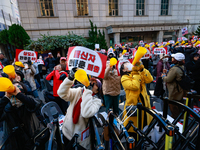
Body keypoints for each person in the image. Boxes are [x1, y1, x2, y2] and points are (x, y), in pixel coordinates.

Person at [57, 68, 102, 150]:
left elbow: (86, 113)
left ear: (97, 90)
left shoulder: (97, 101)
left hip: (79, 138)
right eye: (91, 80)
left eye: (95, 84)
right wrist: (70, 78)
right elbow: (61, 93)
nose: (92, 83)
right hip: (66, 132)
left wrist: (88, 92)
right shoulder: (79, 91)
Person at [0, 82, 46, 149]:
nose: (15, 88)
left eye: (18, 86)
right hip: (17, 142)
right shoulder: (6, 106)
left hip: (34, 136)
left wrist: (19, 95)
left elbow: (34, 104)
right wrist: (6, 98)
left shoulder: (28, 99)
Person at [120, 61, 153, 139]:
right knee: (133, 131)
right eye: (126, 65)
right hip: (134, 107)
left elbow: (149, 79)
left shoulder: (138, 73)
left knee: (144, 128)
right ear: (123, 70)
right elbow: (135, 86)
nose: (129, 64)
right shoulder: (124, 78)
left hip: (144, 105)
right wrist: (135, 73)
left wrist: (142, 69)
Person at [162, 53, 185, 119]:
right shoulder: (181, 66)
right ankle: (181, 118)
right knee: (179, 105)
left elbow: (168, 79)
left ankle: (176, 120)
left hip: (174, 90)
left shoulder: (174, 69)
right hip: (180, 90)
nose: (172, 58)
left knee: (173, 105)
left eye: (173, 58)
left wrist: (163, 76)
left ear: (176, 60)